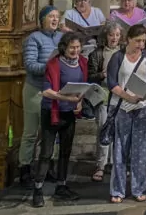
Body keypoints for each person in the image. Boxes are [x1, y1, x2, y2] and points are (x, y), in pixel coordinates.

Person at [31, 32, 87, 207]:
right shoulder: (54, 64)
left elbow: (83, 87)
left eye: (78, 47)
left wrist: (80, 102)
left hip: (69, 113)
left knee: (65, 151)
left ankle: (61, 186)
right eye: (72, 47)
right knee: (47, 153)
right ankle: (38, 189)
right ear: (64, 47)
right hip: (52, 111)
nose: (75, 50)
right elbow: (46, 91)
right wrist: (68, 99)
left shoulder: (83, 63)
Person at [107, 24, 146, 203]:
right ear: (128, 39)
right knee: (120, 149)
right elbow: (112, 82)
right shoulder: (117, 57)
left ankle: (139, 189)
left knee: (141, 150)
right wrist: (127, 96)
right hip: (121, 106)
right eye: (137, 41)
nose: (141, 45)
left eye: (143, 41)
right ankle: (118, 190)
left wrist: (145, 90)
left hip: (142, 106)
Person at [20, 6, 63, 188]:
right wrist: (49, 66)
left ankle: (47, 168)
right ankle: (25, 169)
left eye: (57, 16)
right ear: (42, 19)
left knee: (51, 132)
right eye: (51, 16)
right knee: (31, 133)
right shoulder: (34, 38)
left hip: (54, 92)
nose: (54, 19)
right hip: (36, 90)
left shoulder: (61, 38)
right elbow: (30, 65)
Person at [88, 21, 122, 183]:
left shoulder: (124, 53)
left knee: (118, 131)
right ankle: (100, 165)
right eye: (111, 35)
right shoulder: (97, 53)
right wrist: (101, 75)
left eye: (116, 35)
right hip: (103, 96)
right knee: (103, 130)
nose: (114, 38)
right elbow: (90, 76)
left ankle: (116, 163)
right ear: (105, 36)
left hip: (120, 97)